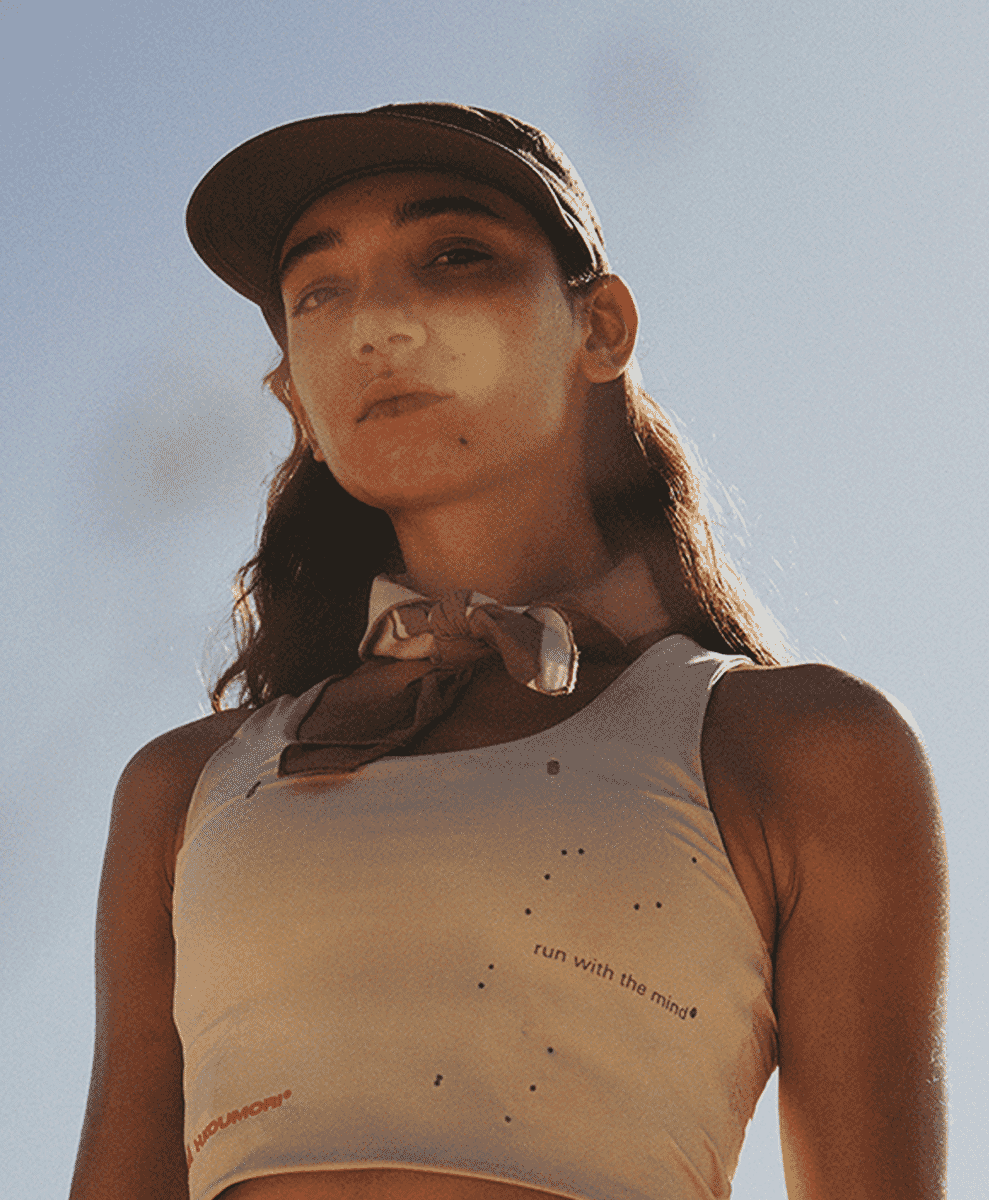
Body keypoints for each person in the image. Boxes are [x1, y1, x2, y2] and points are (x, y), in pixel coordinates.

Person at [69, 104, 949, 1200]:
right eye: (317, 292)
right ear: (295, 393)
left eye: (452, 257)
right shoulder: (182, 788)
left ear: (601, 327)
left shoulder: (803, 750)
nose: (375, 326)